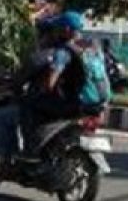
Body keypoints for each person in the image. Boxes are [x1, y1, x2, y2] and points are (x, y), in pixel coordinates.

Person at [0, 15, 59, 163]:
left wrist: (12, 86)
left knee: (0, 118)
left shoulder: (41, 57)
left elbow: (19, 80)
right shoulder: (71, 53)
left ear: (43, 36)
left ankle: (7, 159)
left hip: (43, 108)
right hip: (66, 108)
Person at [20, 10, 87, 152]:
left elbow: (50, 83)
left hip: (69, 103)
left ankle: (30, 150)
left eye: (57, 29)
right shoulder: (88, 48)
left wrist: (43, 89)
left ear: (66, 30)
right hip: (85, 102)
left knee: (28, 106)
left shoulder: (63, 52)